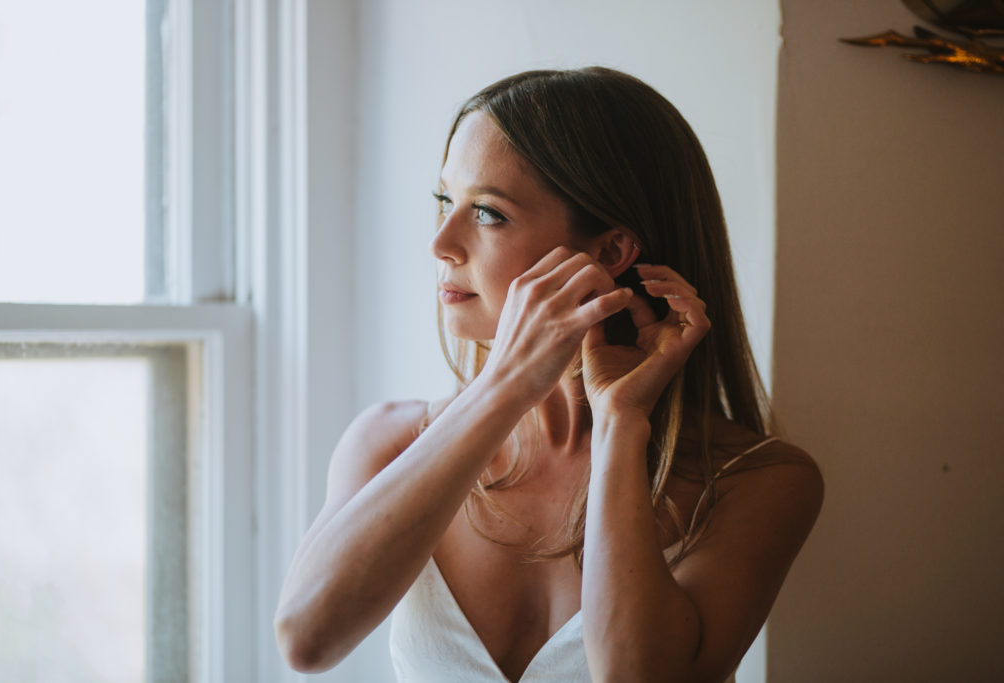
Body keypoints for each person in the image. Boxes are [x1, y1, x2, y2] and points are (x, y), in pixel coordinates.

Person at [274, 67, 823, 683]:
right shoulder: (390, 441)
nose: (441, 243)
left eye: (486, 213)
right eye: (443, 202)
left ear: (610, 253)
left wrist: (621, 424)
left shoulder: (759, 481)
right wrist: (506, 385)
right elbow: (306, 642)